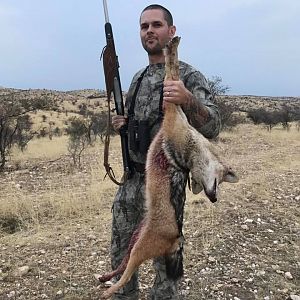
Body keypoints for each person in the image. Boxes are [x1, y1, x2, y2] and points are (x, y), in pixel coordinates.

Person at [110, 4, 221, 300]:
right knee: (122, 254)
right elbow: (136, 126)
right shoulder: (137, 78)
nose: (149, 31)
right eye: (144, 26)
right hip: (131, 181)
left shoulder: (189, 75)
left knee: (166, 263)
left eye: (156, 25)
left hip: (165, 188)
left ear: (171, 31)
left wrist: (187, 100)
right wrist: (122, 124)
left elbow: (213, 125)